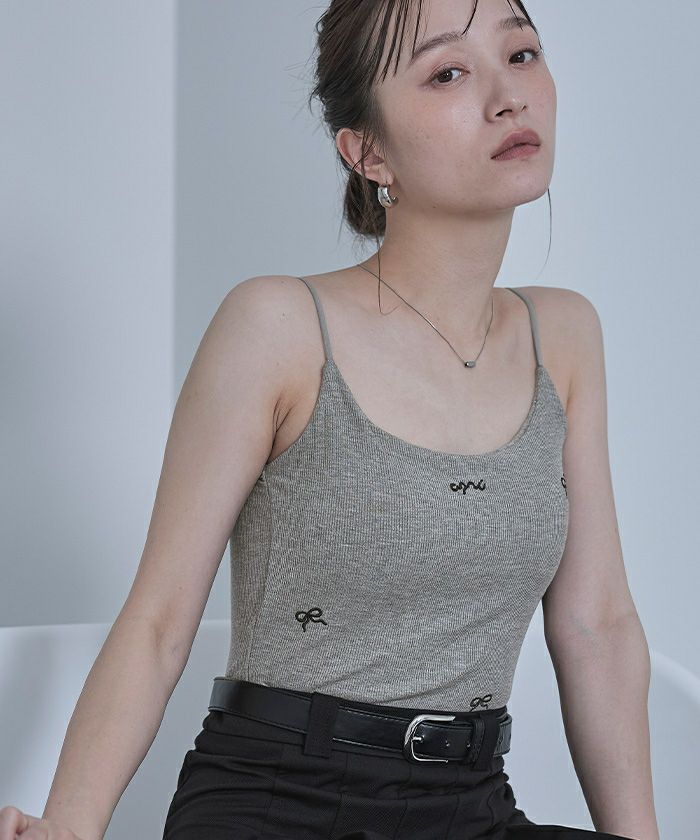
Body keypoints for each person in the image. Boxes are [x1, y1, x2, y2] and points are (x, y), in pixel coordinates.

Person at [0, 0, 659, 839]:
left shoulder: (562, 336)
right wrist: (68, 827)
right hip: (284, 803)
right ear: (367, 151)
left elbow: (598, 626)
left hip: (472, 807)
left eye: (522, 54)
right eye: (448, 72)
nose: (507, 97)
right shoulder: (278, 326)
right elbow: (158, 622)